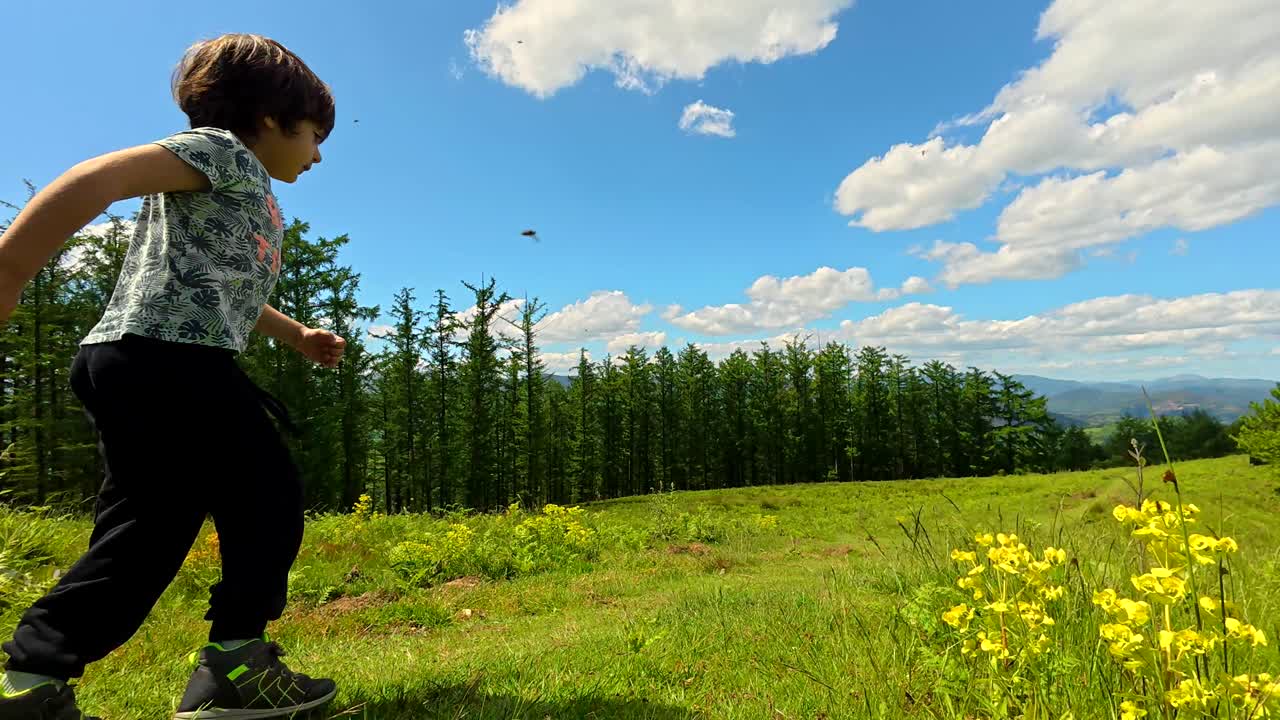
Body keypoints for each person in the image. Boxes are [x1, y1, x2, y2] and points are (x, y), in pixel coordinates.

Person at [0, 33, 346, 720]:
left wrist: (296, 334)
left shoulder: (239, 187)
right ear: (272, 119)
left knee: (149, 527)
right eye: (313, 133)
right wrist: (9, 270)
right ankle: (237, 663)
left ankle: (32, 679)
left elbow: (224, 293)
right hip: (169, 360)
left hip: (139, 358)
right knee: (268, 493)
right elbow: (96, 179)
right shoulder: (223, 152)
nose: (318, 153)